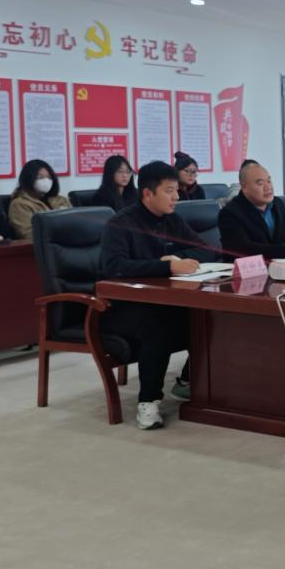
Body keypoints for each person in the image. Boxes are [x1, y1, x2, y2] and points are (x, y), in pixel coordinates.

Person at [100, 161, 218, 429]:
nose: (176, 197)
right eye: (169, 191)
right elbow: (115, 267)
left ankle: (187, 380)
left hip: (164, 300)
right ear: (147, 193)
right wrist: (165, 266)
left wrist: (177, 258)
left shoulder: (172, 219)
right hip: (122, 308)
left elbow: (205, 249)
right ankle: (148, 401)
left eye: (177, 190)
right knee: (157, 324)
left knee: (208, 316)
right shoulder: (121, 224)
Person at [219, 160, 285, 259]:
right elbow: (243, 248)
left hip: (277, 265)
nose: (268, 187)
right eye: (260, 183)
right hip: (245, 269)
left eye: (269, 181)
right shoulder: (230, 213)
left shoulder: (277, 204)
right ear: (244, 187)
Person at [8, 159, 70, 239]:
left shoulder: (61, 200)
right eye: (40, 177)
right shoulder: (19, 204)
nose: (46, 181)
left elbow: (77, 224)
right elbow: (29, 234)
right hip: (45, 245)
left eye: (49, 177)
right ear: (28, 179)